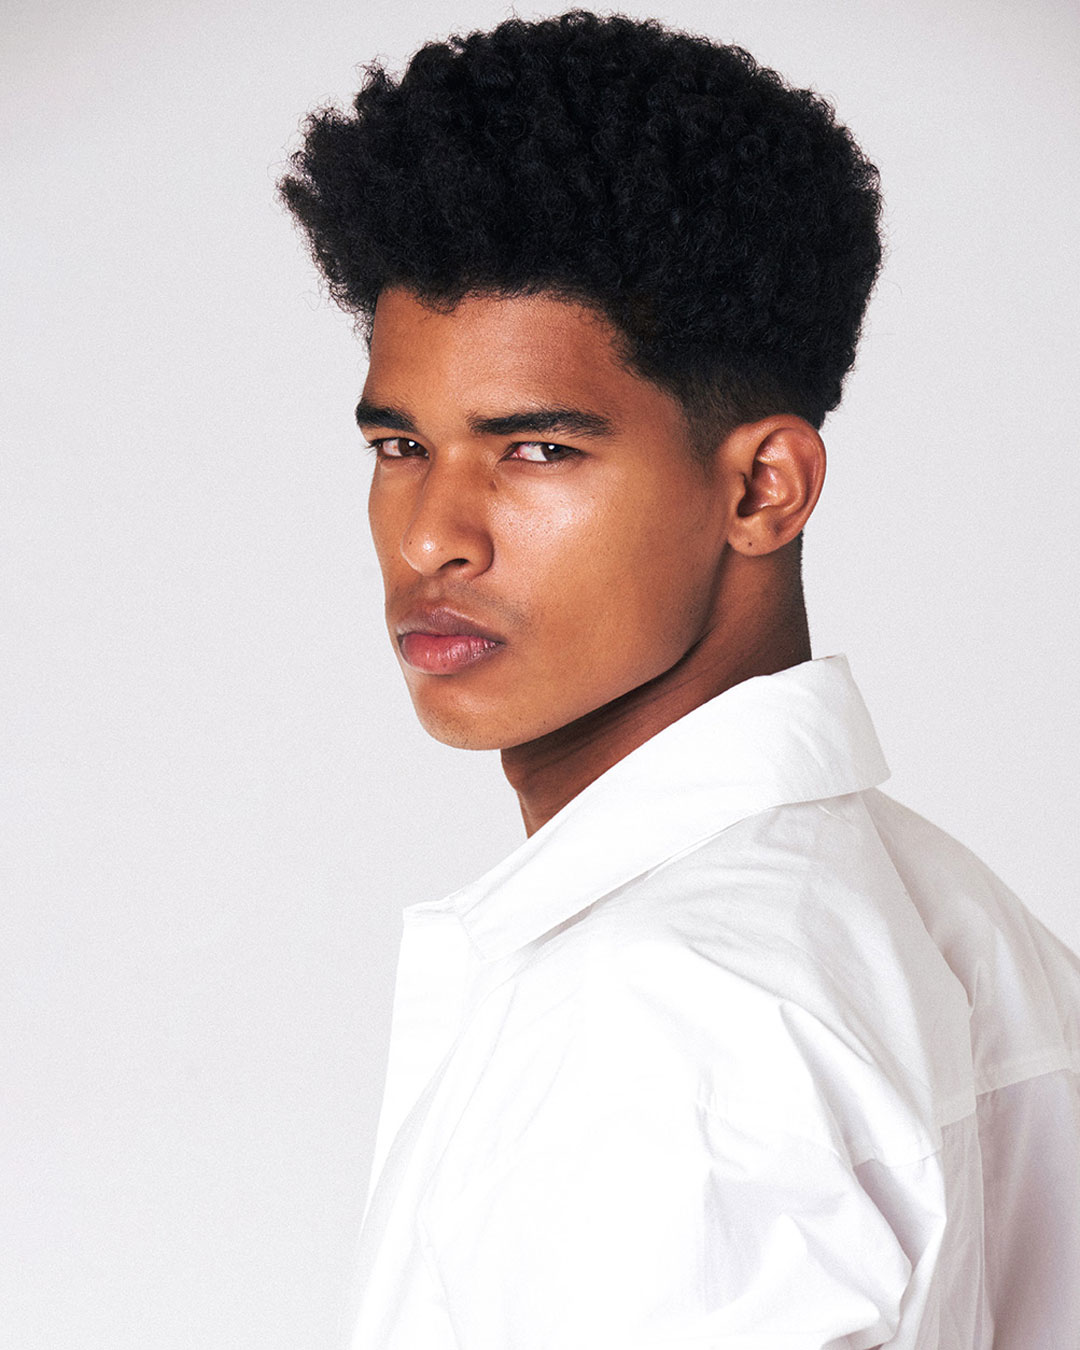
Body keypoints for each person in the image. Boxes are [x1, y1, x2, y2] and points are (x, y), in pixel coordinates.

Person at [279, 11, 1080, 1347]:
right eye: (401, 446)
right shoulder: (966, 930)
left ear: (763, 488)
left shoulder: (663, 1019)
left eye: (537, 450)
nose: (431, 537)